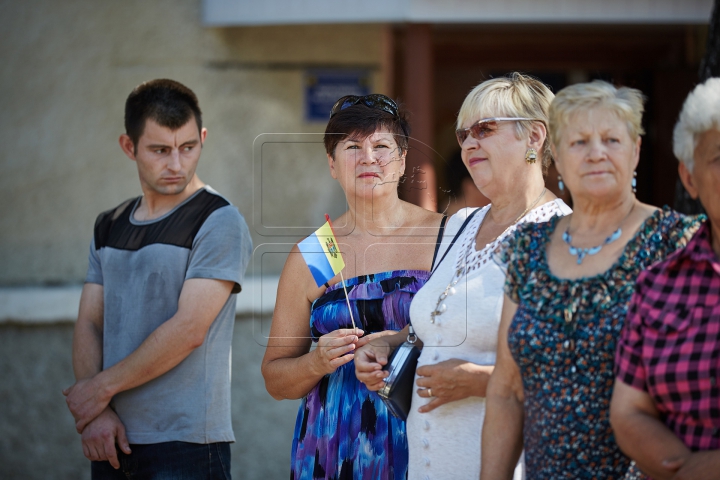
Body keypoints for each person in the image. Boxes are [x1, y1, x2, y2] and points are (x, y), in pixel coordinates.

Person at [481, 80, 704, 480]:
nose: (597, 153)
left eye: (612, 140)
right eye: (580, 142)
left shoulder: (678, 241)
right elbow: (507, 389)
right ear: (558, 161)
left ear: (635, 151)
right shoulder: (529, 247)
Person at [355, 73, 571, 479]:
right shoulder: (461, 225)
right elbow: (441, 319)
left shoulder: (560, 234)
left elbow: (577, 371)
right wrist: (390, 343)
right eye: (463, 134)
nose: (470, 142)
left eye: (485, 129)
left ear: (535, 137)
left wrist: (481, 382)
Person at [63, 79, 252, 479]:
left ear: (202, 138)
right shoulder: (109, 225)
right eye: (160, 150)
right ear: (129, 147)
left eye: (188, 147)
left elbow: (189, 329)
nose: (177, 165)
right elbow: (90, 322)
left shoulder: (218, 221)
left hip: (185, 444)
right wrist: (97, 413)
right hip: (110, 436)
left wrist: (98, 390)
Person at [260, 94, 443, 479]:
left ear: (403, 158)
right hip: (333, 447)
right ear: (332, 164)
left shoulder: (445, 235)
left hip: (426, 437)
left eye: (381, 146)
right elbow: (275, 379)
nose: (368, 158)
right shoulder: (316, 251)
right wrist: (315, 362)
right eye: (352, 147)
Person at [611, 78, 720, 480]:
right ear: (690, 179)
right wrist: (690, 472)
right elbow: (629, 412)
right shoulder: (659, 284)